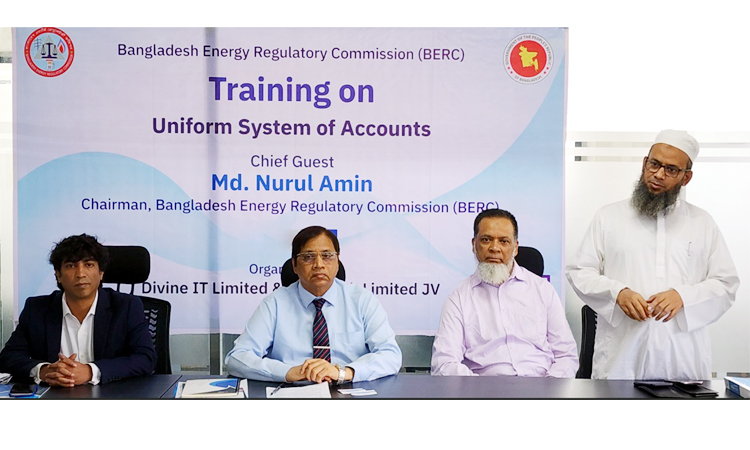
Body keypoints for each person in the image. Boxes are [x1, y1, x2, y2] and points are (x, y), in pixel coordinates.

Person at [566, 130, 739, 380]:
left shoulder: (702, 223)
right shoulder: (609, 217)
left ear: (686, 177)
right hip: (621, 360)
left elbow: (726, 284)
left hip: (682, 359)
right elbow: (579, 271)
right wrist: (618, 293)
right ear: (644, 163)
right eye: (654, 164)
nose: (658, 174)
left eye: (671, 169)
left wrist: (683, 296)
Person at [225, 226, 402, 383]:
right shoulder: (275, 304)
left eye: (327, 256)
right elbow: (237, 358)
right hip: (292, 393)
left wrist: (343, 372)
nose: (319, 264)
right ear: (294, 265)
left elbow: (391, 355)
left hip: (349, 390)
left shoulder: (361, 300)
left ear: (337, 262)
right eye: (308, 257)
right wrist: (287, 372)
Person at [431, 209, 579, 377]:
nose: (494, 248)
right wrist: (480, 388)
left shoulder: (543, 290)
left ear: (515, 248)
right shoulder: (459, 298)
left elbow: (566, 355)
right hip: (483, 388)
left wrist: (549, 387)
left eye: (504, 241)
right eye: (486, 240)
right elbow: (444, 363)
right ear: (474, 245)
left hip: (541, 385)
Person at [0, 234, 156, 386]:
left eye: (88, 265)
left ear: (101, 273)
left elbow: (145, 359)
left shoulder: (127, 307)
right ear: (58, 275)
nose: (80, 274)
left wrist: (90, 371)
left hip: (111, 396)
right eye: (71, 266)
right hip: (55, 396)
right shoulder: (37, 309)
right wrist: (44, 371)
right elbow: (8, 357)